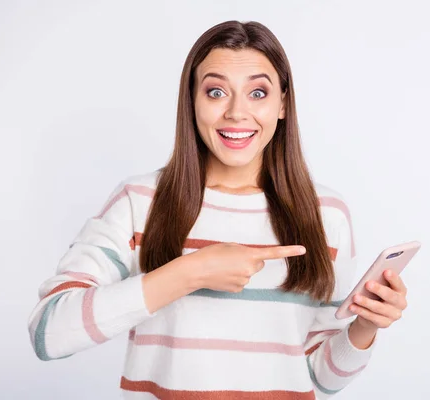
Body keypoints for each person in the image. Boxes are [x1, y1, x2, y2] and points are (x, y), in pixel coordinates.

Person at [27, 20, 409, 399]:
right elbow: (49, 332)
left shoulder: (326, 213)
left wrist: (364, 327)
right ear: (192, 101)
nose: (237, 113)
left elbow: (323, 376)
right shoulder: (140, 201)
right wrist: (190, 272)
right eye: (216, 92)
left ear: (282, 104)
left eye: (258, 93)